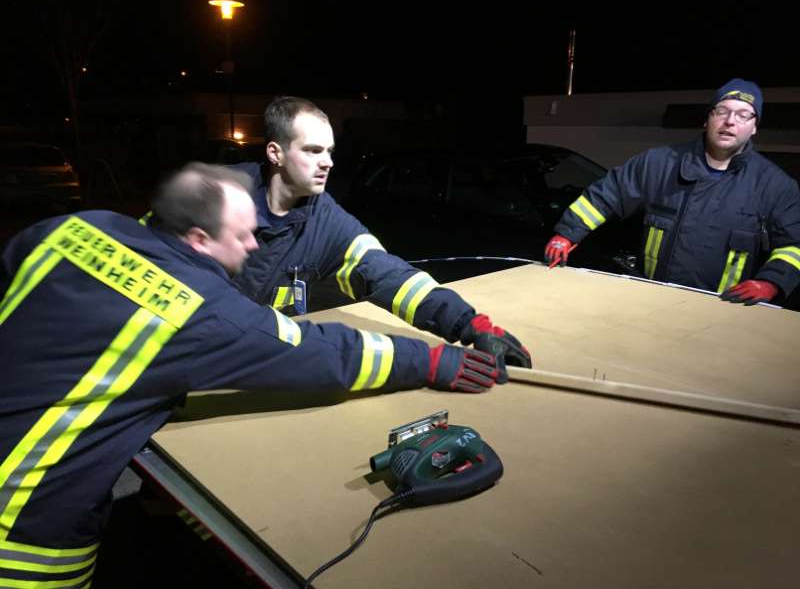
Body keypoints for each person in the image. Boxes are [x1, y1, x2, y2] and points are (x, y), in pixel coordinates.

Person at [0, 163, 504, 587]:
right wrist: (435, 361)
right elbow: (322, 355)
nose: (253, 246)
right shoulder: (199, 309)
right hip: (26, 523)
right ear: (198, 238)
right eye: (241, 235)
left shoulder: (72, 229)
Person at [227, 96, 532, 373]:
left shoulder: (325, 220)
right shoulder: (214, 202)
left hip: (256, 361)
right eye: (312, 150)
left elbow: (389, 275)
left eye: (330, 151)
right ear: (275, 153)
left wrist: (471, 325)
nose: (328, 162)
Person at [544, 78, 800, 305]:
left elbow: (794, 246)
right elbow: (606, 195)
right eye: (722, 111)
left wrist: (772, 283)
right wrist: (566, 234)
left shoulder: (775, 186)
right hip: (652, 301)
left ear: (755, 127)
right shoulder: (659, 164)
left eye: (744, 115)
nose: (730, 121)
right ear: (707, 119)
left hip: (722, 311)